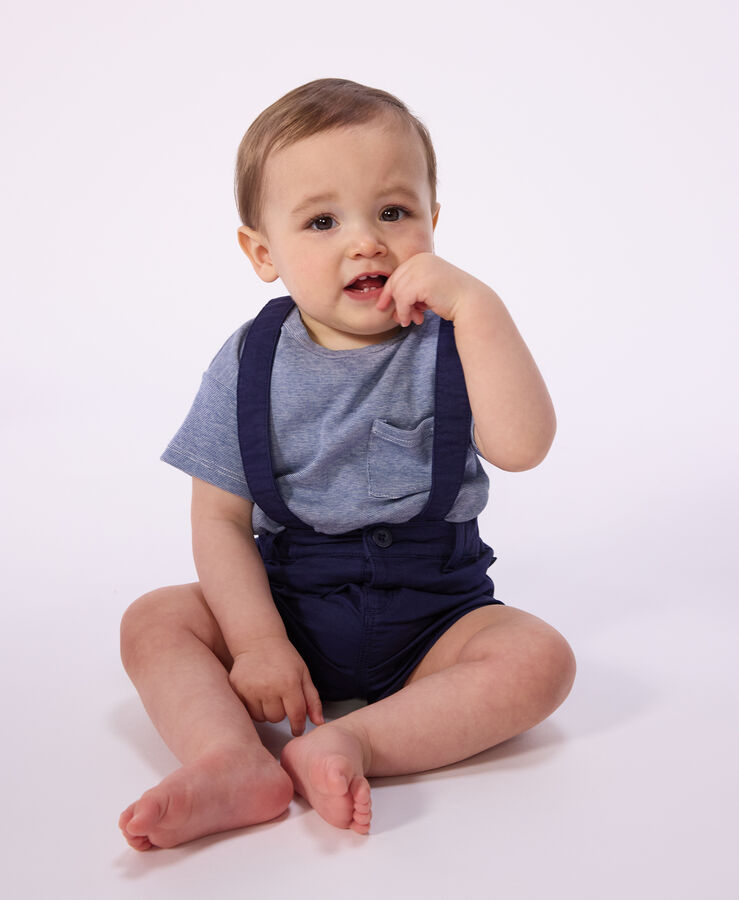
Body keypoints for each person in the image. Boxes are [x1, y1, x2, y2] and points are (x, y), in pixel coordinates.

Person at [118, 78, 576, 851]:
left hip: (435, 619)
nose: (364, 241)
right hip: (290, 609)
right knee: (156, 619)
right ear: (263, 252)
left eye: (393, 213)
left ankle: (354, 743)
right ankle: (230, 759)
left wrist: (479, 305)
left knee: (539, 660)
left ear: (433, 220)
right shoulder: (248, 362)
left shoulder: (456, 338)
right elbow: (220, 520)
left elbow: (523, 447)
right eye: (322, 221)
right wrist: (260, 641)